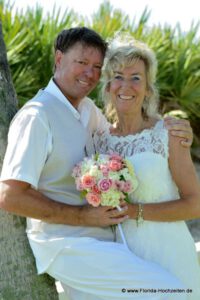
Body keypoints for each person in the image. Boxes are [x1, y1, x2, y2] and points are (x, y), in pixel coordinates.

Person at [0, 27, 193, 300]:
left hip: (106, 241)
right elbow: (10, 196)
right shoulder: (36, 116)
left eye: (96, 67)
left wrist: (176, 129)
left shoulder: (89, 112)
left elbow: (129, 131)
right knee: (169, 292)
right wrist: (83, 217)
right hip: (65, 244)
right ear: (58, 59)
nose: (89, 73)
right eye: (81, 63)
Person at [93, 33, 200, 299]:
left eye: (136, 78)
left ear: (148, 88)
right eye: (118, 76)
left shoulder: (168, 133)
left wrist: (133, 211)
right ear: (108, 85)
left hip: (168, 255)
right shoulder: (98, 140)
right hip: (120, 260)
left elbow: (194, 203)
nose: (125, 85)